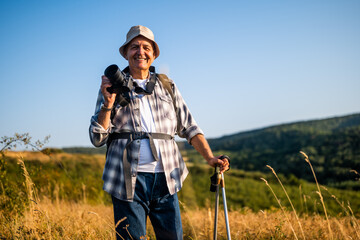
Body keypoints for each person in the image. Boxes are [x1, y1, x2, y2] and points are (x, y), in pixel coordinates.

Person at [89, 25, 229, 240]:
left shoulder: (167, 85)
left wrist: (210, 157)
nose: (140, 52)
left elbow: (189, 127)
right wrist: (108, 103)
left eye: (146, 47)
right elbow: (97, 138)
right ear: (126, 53)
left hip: (167, 178)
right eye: (134, 47)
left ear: (153, 54)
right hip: (127, 181)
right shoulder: (112, 88)